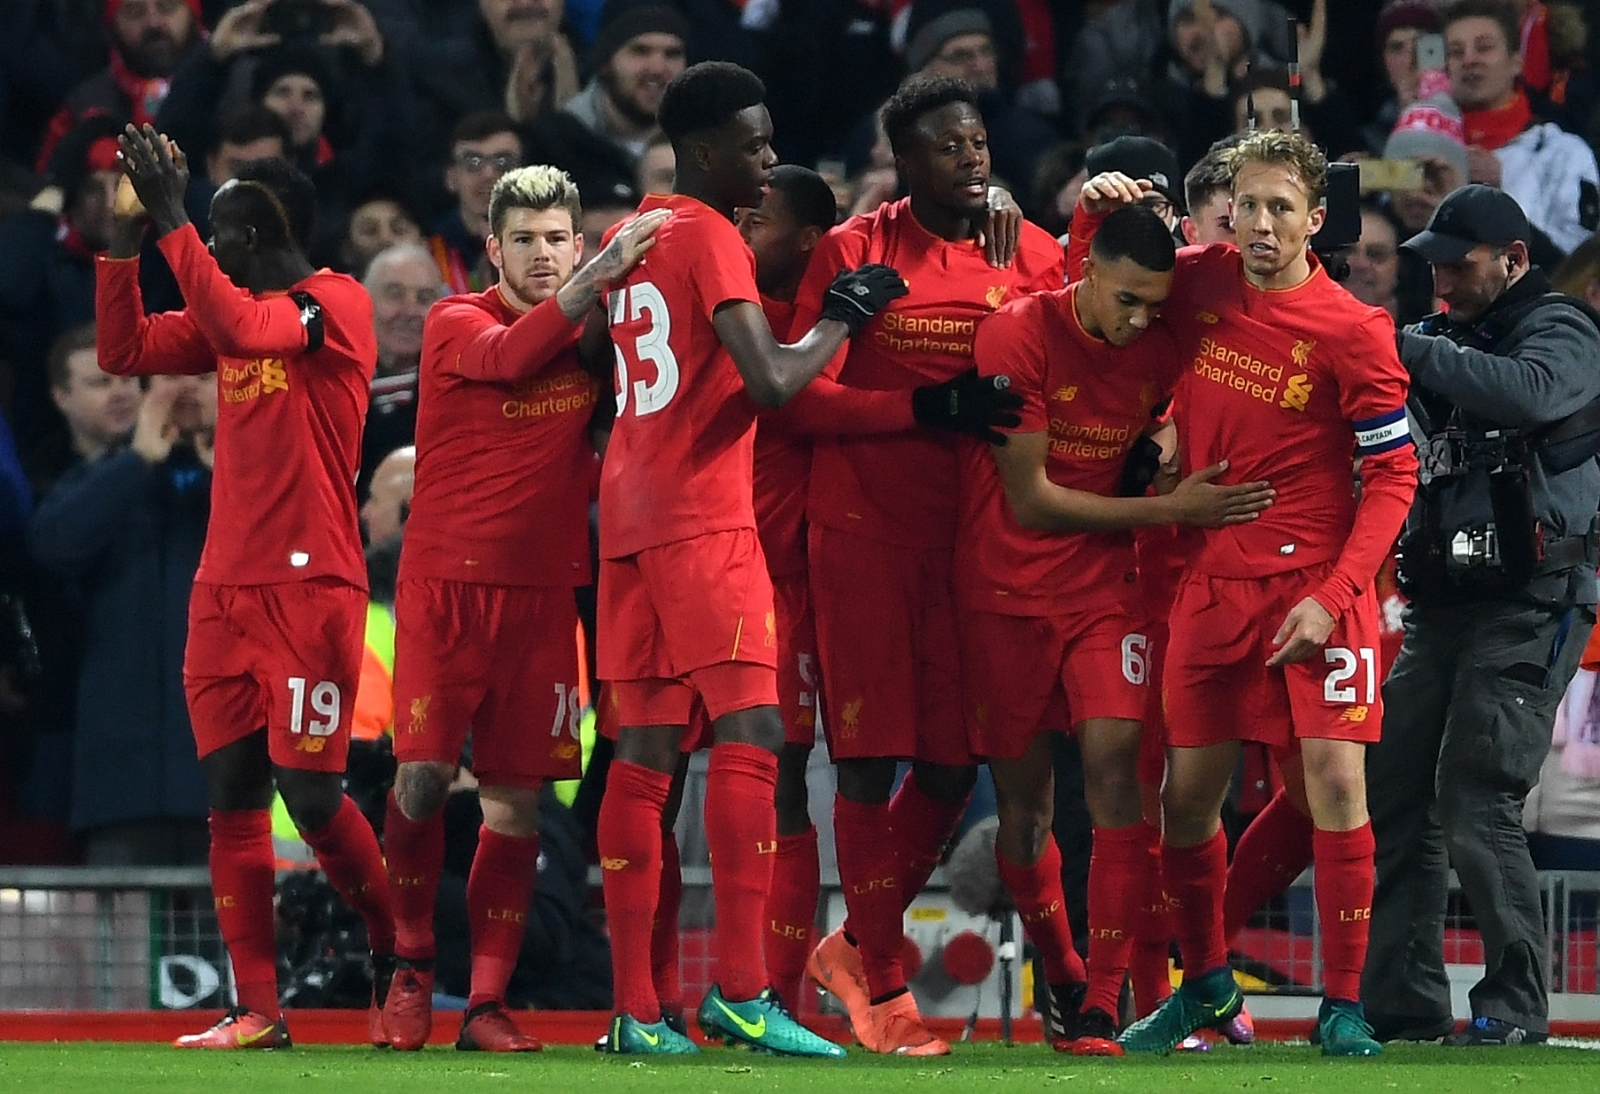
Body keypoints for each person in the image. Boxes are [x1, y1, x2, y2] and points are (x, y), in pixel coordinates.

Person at [1069, 128, 1419, 1058]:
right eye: (1246, 206)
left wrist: (1336, 595)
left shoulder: (1355, 329)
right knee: (1186, 804)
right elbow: (1102, 294)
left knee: (1336, 783)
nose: (1259, 225)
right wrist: (1092, 215)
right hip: (1215, 582)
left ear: (1315, 219)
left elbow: (1394, 479)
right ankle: (1208, 989)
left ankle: (1343, 1007)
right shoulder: (1203, 281)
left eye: (1278, 208)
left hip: (1317, 585)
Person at [593, 60, 904, 1058]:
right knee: (754, 728)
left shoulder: (629, 236)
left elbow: (679, 375)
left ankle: (637, 1010)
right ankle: (736, 988)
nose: (767, 165)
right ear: (703, 149)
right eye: (755, 143)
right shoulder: (713, 234)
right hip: (699, 514)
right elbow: (771, 382)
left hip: (630, 511)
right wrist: (837, 322)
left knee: (643, 756)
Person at [97, 127, 396, 1049]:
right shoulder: (233, 313)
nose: (209, 247)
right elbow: (125, 349)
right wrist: (122, 244)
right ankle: (259, 1009)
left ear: (264, 235)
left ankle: (402, 950)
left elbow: (240, 325)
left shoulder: (333, 304)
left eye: (221, 234)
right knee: (230, 796)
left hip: (312, 594)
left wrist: (175, 216)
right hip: (223, 590)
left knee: (309, 799)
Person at [963, 204, 1275, 1054]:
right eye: (1127, 300)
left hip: (1105, 589)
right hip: (1003, 591)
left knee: (1118, 782)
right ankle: (1062, 971)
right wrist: (1172, 504)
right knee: (1026, 812)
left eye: (1154, 304)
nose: (1141, 320)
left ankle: (1103, 1006)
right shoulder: (1014, 337)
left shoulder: (1163, 342)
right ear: (1087, 273)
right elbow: (1031, 502)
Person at [796, 75, 1064, 1057]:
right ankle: (887, 988)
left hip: (978, 543)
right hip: (864, 536)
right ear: (903, 165)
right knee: (867, 761)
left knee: (953, 768)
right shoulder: (854, 250)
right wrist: (921, 409)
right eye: (948, 146)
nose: (972, 157)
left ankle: (851, 947)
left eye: (979, 139)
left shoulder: (1030, 251)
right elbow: (801, 400)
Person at [377, 165, 665, 1052]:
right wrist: (606, 273)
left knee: (516, 804)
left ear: (574, 243)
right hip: (444, 589)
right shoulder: (455, 321)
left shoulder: (595, 347)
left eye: (558, 240)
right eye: (526, 241)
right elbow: (508, 359)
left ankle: (486, 1005)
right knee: (422, 781)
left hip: (543, 595)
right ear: (493, 249)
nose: (544, 255)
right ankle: (413, 962)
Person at [1365, 183, 1600, 1047]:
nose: (1441, 281)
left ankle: (1513, 1007)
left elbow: (1532, 395)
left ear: (1514, 261)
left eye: (1458, 267)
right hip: (1442, 602)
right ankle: (1402, 1003)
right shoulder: (1439, 338)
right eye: (1432, 265)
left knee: (1476, 795)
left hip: (1534, 600)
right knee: (1393, 792)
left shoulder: (1566, 329)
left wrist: (1405, 351)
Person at [31, 368, 215, 866]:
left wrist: (229, 475)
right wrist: (137, 461)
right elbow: (51, 548)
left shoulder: (262, 477)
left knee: (235, 940)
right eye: (172, 377)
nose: (185, 388)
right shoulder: (104, 478)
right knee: (126, 940)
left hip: (229, 780)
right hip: (120, 784)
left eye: (204, 376)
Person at [738, 165, 840, 1012]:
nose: (741, 231)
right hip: (696, 565)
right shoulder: (726, 313)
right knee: (658, 771)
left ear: (808, 238)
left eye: (759, 219)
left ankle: (774, 996)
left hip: (789, 586)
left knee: (784, 773)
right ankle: (657, 996)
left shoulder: (807, 326)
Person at [1442, 0, 1599, 255]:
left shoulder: (1563, 152)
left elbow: (1580, 260)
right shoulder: (1425, 149)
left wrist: (1503, 190)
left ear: (1516, 62)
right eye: (1456, 52)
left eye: (1484, 48)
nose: (1469, 60)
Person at [525, 0, 689, 217]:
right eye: (640, 51)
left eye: (672, 54)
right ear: (605, 64)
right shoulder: (554, 147)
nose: (658, 68)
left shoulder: (702, 145)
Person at [35, 0, 205, 171]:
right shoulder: (86, 106)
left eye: (167, 7)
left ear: (193, 14)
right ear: (112, 24)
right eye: (134, 11)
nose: (153, 23)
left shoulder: (227, 87)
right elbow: (48, 184)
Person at [357, 243, 446, 500]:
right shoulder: (332, 385)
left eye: (424, 298)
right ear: (364, 301)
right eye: (394, 294)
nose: (409, 311)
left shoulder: (459, 386)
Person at [428, 112, 525, 293]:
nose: (488, 174)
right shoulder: (427, 250)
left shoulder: (548, 246)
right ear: (451, 178)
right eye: (473, 162)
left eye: (503, 162)